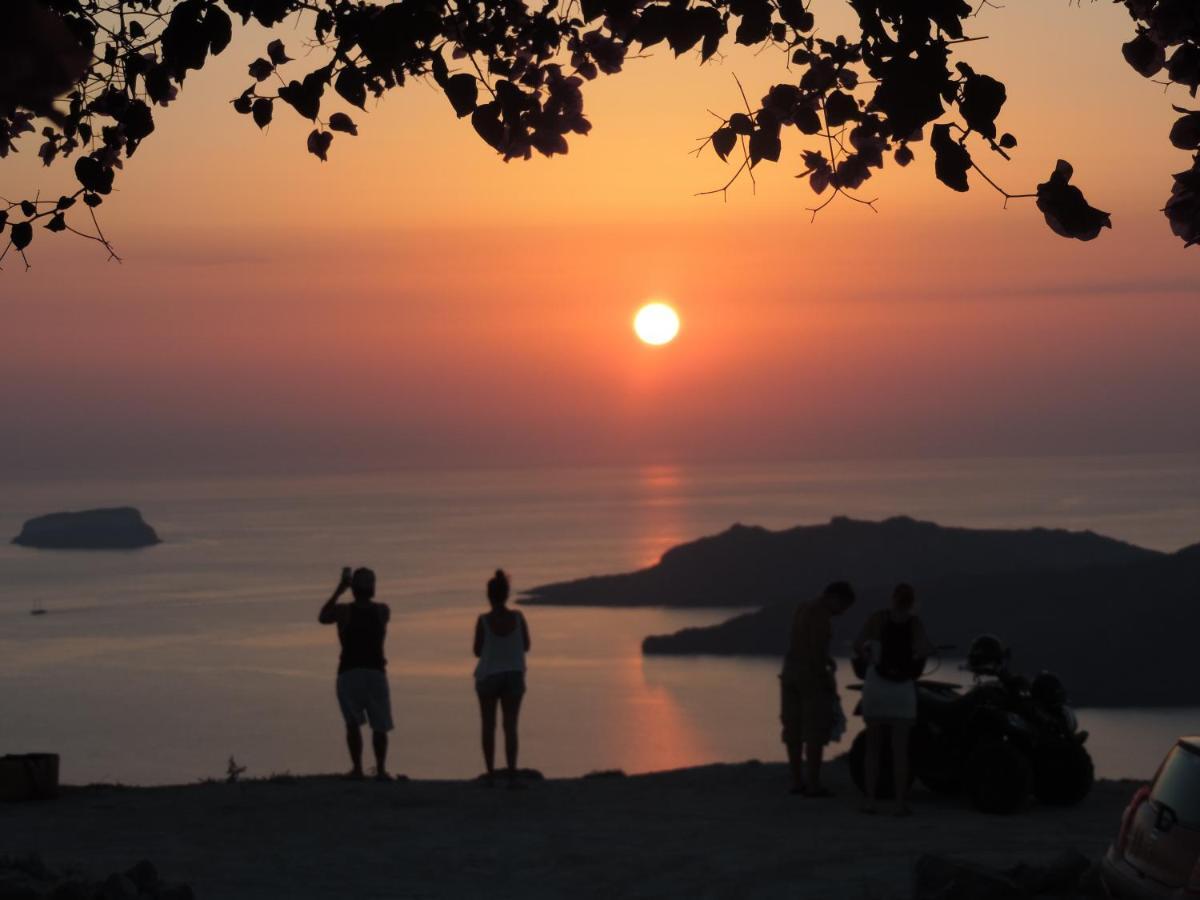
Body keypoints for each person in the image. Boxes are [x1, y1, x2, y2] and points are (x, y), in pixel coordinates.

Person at [853, 582, 933, 816]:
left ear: (892, 598)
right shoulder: (914, 624)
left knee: (873, 748)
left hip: (876, 687)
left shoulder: (878, 618)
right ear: (911, 602)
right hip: (901, 692)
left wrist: (870, 655)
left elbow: (859, 645)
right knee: (900, 751)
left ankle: (870, 801)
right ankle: (899, 803)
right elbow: (925, 650)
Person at [779, 580, 856, 797]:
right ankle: (813, 785)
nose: (842, 613)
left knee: (792, 729)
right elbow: (816, 649)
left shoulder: (802, 608)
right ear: (835, 598)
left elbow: (800, 642)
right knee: (814, 731)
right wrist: (826, 679)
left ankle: (796, 781)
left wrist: (826, 659)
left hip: (789, 671)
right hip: (810, 676)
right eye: (843, 607)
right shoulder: (822, 616)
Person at [318, 567, 394, 781]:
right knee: (380, 725)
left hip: (349, 673)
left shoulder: (344, 612)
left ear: (354, 589)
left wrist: (339, 589)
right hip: (375, 673)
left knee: (353, 725)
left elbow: (323, 617)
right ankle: (380, 770)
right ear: (373, 588)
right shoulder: (383, 611)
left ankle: (358, 769)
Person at [473, 569, 531, 787]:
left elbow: (477, 651)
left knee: (488, 726)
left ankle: (490, 773)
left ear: (489, 596)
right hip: (514, 675)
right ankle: (512, 773)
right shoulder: (518, 618)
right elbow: (526, 645)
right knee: (510, 726)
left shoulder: (484, 621)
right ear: (506, 594)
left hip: (489, 675)